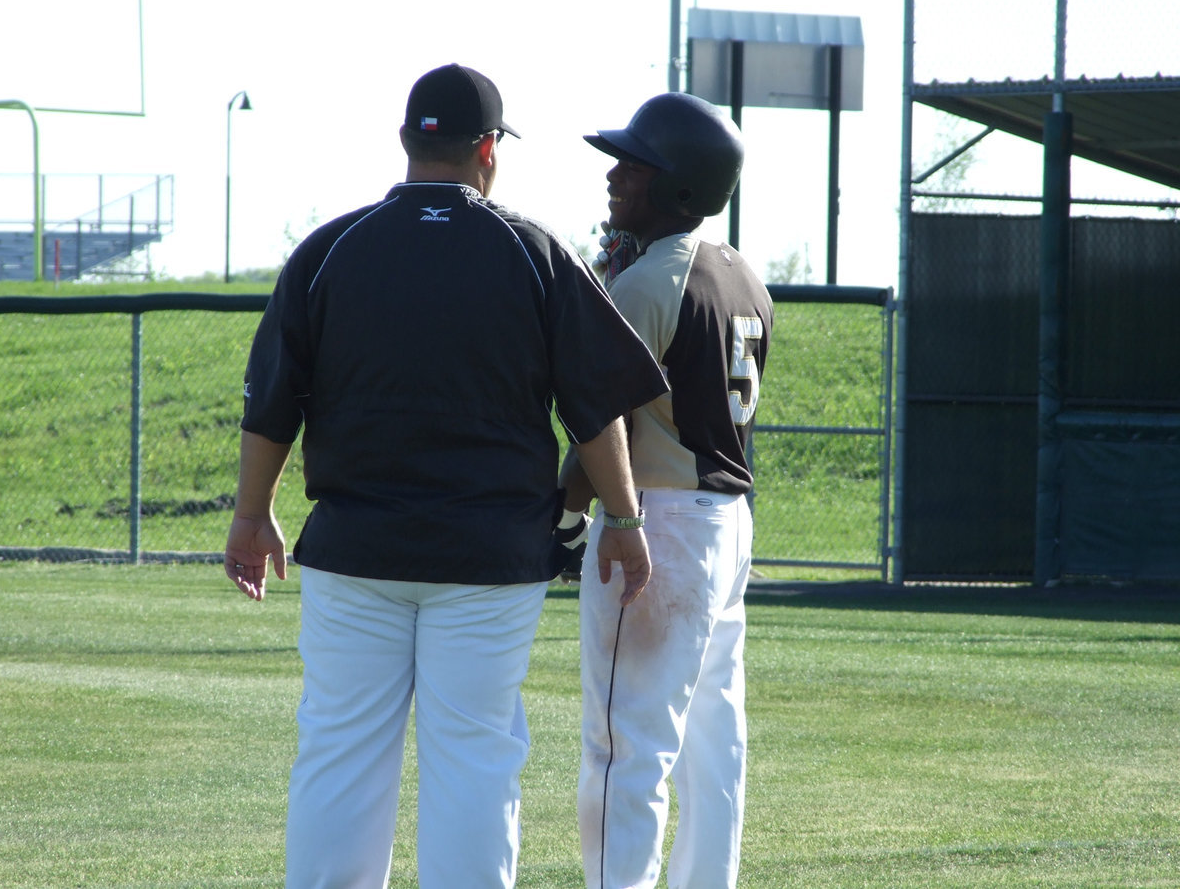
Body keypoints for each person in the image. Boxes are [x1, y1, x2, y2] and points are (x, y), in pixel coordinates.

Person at [223, 63, 668, 889]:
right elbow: (596, 410)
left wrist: (253, 514)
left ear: (404, 142)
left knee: (340, 753)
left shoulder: (330, 247)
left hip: (355, 548)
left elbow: (271, 403)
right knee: (474, 758)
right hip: (490, 560)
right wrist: (629, 522)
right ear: (489, 151)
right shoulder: (532, 249)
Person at [558, 92, 774, 889]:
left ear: (679, 188)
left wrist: (570, 511)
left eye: (636, 165)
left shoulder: (652, 281)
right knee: (714, 739)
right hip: (724, 521)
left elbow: (598, 419)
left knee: (626, 744)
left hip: (660, 521)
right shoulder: (746, 274)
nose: (616, 175)